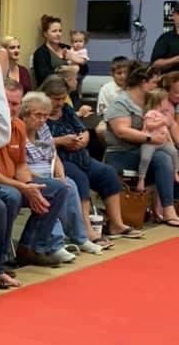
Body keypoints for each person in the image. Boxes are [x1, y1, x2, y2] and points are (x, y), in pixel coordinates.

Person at [0, 80, 70, 267]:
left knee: (59, 189)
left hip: (14, 182)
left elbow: (21, 166)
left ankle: (31, 249)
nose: (11, 108)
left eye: (16, 104)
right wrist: (23, 187)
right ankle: (0, 259)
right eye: (7, 102)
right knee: (12, 196)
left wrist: (31, 186)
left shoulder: (18, 126)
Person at [42, 74, 138, 240]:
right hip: (59, 160)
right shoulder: (39, 113)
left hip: (80, 155)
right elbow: (36, 141)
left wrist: (83, 140)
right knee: (80, 179)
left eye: (63, 98)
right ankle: (85, 229)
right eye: (56, 99)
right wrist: (61, 141)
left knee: (107, 173)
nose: (60, 103)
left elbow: (83, 130)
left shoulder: (66, 109)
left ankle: (116, 224)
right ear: (45, 96)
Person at [19, 92, 103, 254]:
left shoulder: (43, 129)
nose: (42, 120)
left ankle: (80, 238)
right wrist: (50, 180)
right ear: (25, 114)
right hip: (30, 177)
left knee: (69, 184)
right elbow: (19, 166)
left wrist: (61, 175)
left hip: (49, 173)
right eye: (37, 115)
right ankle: (55, 244)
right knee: (55, 189)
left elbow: (54, 156)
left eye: (45, 116)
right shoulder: (18, 132)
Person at [105, 62, 179, 227]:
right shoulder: (121, 102)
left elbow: (170, 122)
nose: (157, 86)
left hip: (145, 150)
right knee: (162, 158)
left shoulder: (150, 101)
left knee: (172, 155)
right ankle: (168, 210)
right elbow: (122, 131)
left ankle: (169, 205)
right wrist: (150, 138)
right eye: (154, 83)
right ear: (143, 83)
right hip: (122, 153)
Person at [137, 88, 179, 193]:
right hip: (150, 141)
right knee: (145, 158)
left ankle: (175, 172)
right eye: (165, 101)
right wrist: (161, 123)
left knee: (174, 153)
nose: (167, 103)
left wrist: (171, 142)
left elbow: (166, 130)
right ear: (159, 102)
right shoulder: (151, 113)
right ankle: (141, 179)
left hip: (162, 141)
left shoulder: (165, 115)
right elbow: (149, 125)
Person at [32, 14, 87, 90]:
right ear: (45, 34)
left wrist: (76, 66)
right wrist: (69, 71)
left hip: (72, 91)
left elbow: (85, 68)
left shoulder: (68, 48)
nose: (58, 34)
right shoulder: (40, 53)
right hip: (51, 92)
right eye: (54, 31)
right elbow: (44, 77)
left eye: (60, 31)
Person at [150, 2, 179, 72]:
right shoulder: (166, 38)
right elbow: (155, 65)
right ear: (174, 16)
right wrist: (176, 60)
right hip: (171, 77)